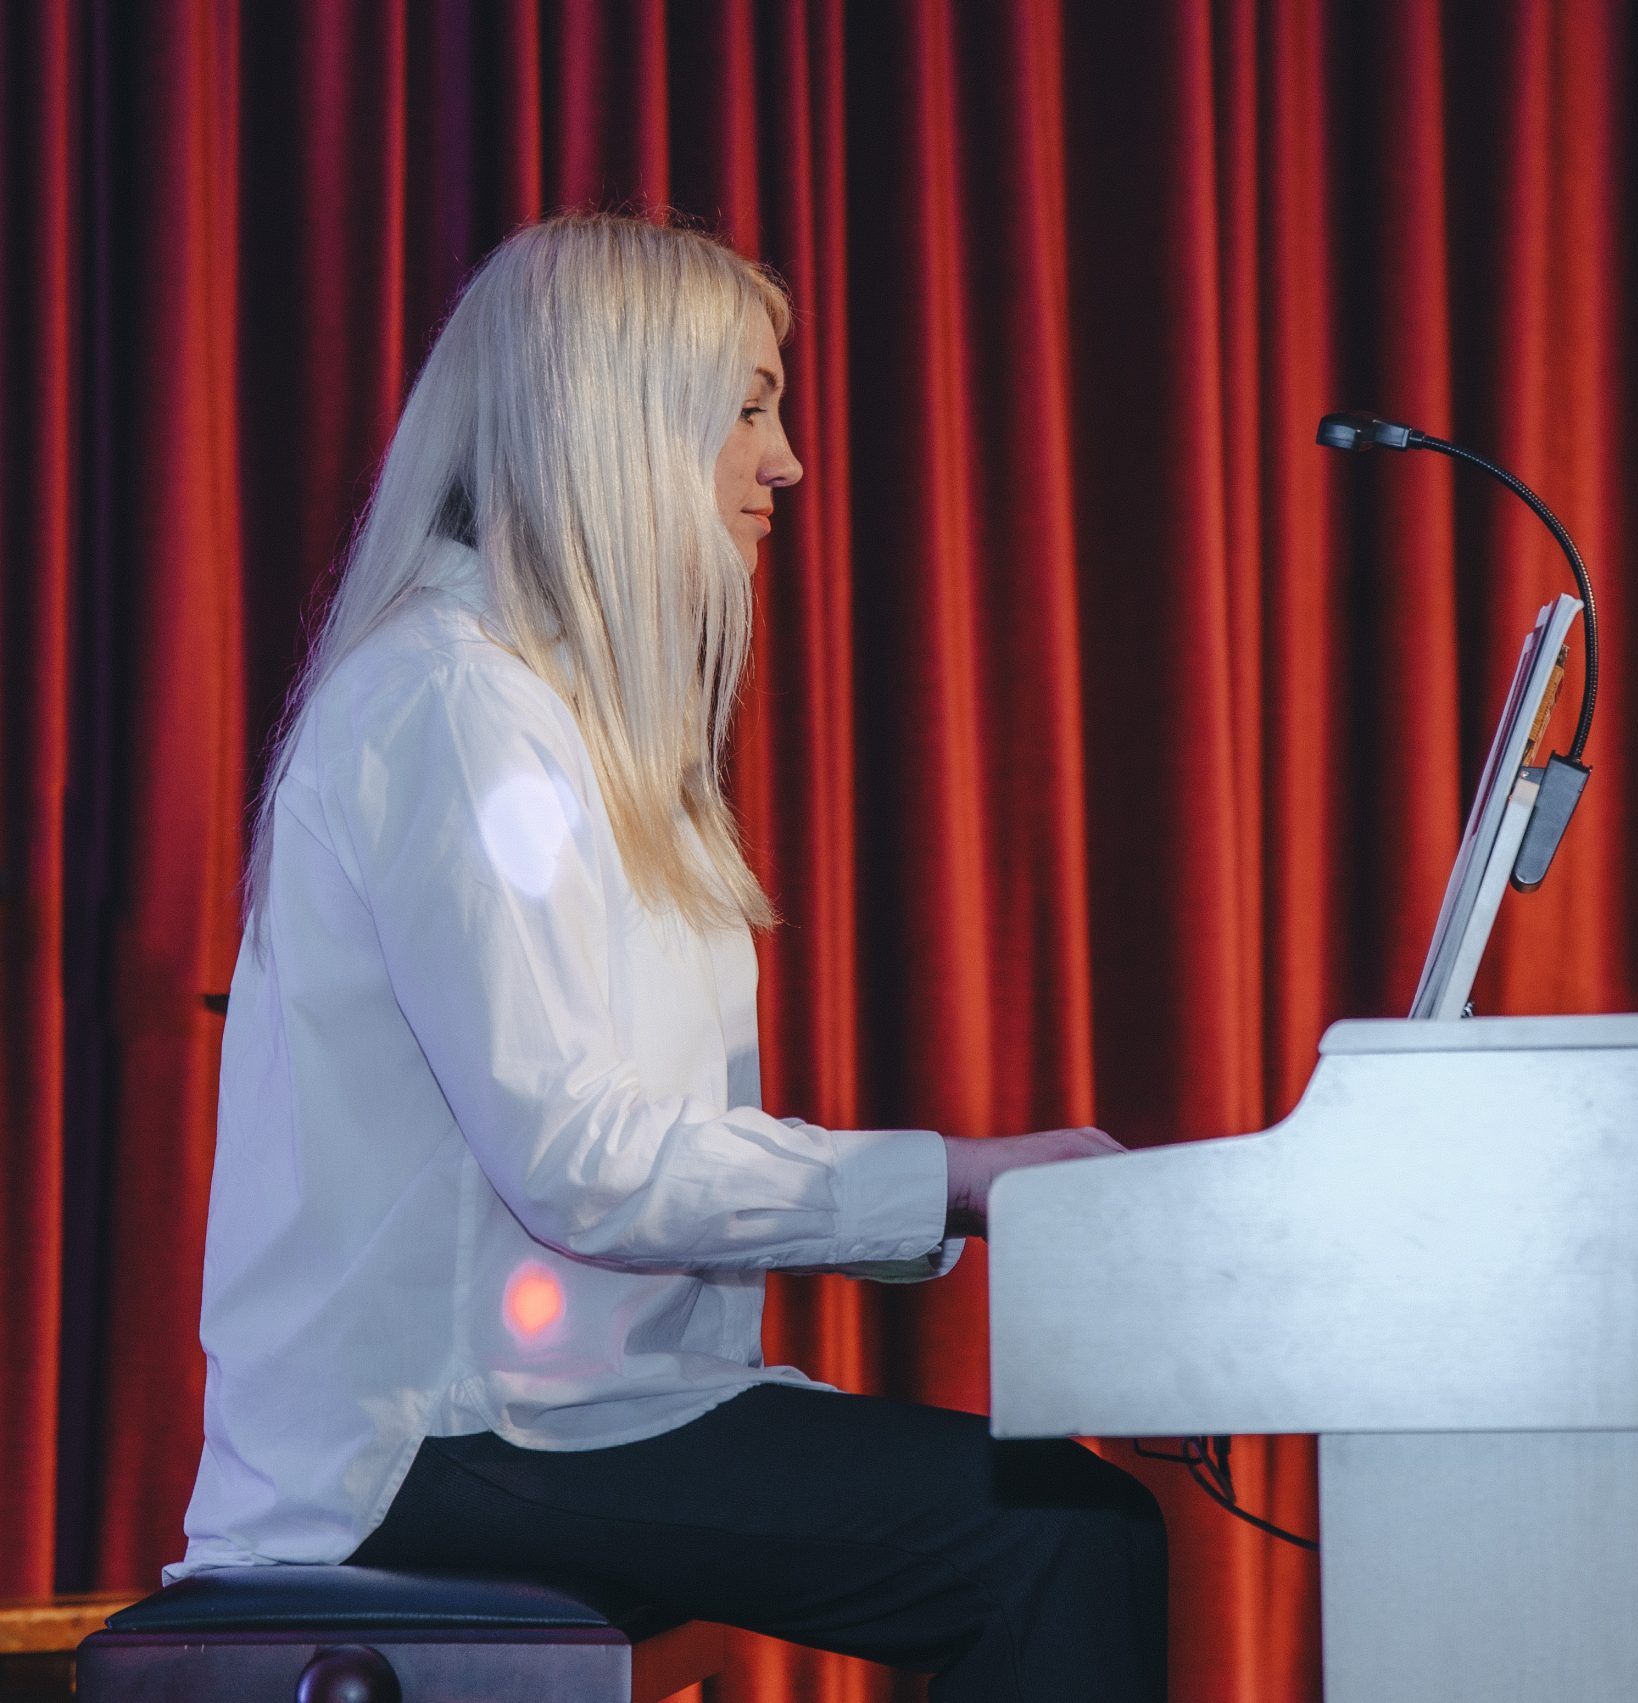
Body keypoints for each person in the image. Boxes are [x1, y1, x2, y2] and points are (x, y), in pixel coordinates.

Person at [171, 210, 1167, 1703]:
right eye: (749, 408)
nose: (789, 462)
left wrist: (953, 1207)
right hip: (426, 1441)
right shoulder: (453, 704)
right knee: (1059, 1538)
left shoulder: (553, 714)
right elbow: (580, 1163)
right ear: (615, 422)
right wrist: (965, 1180)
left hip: (558, 1412)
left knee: (1058, 1522)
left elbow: (628, 1166)